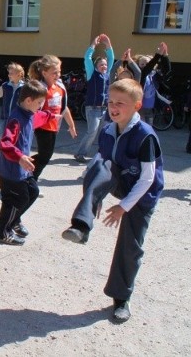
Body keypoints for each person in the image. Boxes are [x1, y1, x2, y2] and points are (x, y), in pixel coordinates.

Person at [62, 78, 164, 322]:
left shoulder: (145, 135)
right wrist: (93, 192)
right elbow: (102, 159)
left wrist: (122, 207)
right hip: (121, 181)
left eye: (121, 103)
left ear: (137, 106)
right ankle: (82, 226)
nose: (113, 107)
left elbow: (148, 179)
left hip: (141, 195)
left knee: (130, 248)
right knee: (97, 165)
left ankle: (122, 299)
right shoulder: (108, 128)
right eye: (110, 102)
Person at [0, 80, 59, 245]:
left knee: (33, 191)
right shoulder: (16, 119)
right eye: (39, 103)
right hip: (10, 170)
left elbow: (42, 117)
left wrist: (55, 116)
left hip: (22, 170)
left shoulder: (30, 114)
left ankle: (13, 221)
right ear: (28, 100)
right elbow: (5, 144)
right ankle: (2, 232)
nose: (41, 106)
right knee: (14, 201)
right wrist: (20, 157)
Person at [28, 55, 77, 181]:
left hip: (54, 127)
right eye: (54, 72)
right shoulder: (40, 88)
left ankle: (23, 169)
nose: (58, 75)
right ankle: (29, 180)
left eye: (59, 71)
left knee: (45, 156)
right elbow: (31, 110)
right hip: (42, 127)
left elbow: (64, 107)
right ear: (44, 73)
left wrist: (71, 125)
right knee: (45, 156)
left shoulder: (60, 87)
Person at [74, 34, 114, 163]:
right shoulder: (92, 74)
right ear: (96, 66)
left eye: (105, 65)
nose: (104, 66)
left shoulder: (107, 75)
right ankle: (80, 153)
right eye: (101, 64)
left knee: (104, 133)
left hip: (104, 109)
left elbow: (111, 58)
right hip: (92, 108)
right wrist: (93, 45)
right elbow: (87, 58)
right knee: (92, 132)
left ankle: (102, 155)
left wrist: (108, 44)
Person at [137, 42, 171, 126]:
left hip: (150, 109)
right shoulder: (140, 74)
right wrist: (158, 54)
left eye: (147, 64)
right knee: (141, 130)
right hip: (139, 108)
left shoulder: (154, 75)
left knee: (149, 130)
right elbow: (147, 68)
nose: (145, 66)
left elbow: (167, 70)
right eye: (142, 64)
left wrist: (165, 55)